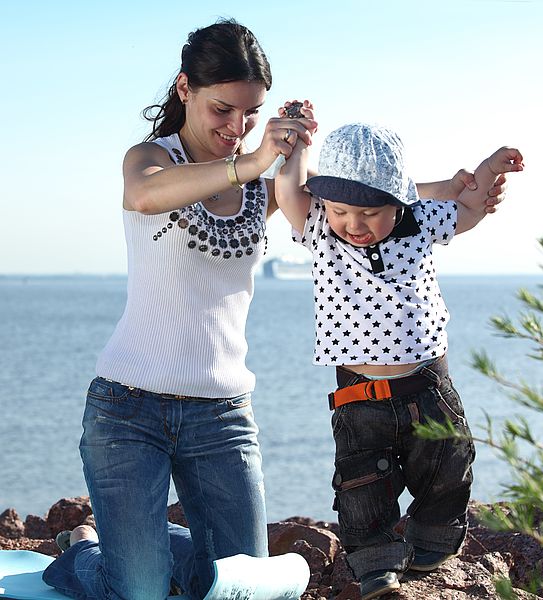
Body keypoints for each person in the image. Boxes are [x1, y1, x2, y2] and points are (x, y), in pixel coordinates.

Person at [41, 19, 506, 599]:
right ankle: (88, 547)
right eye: (221, 110)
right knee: (140, 590)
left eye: (250, 115)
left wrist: (457, 187)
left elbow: (354, 199)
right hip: (128, 407)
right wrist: (256, 159)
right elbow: (143, 195)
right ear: (184, 88)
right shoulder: (151, 159)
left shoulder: (261, 188)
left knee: (240, 585)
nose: (236, 129)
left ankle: (140, 541)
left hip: (221, 415)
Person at [275, 114, 524, 600]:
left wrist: (488, 169)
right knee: (361, 487)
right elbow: (288, 190)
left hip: (428, 385)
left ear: (398, 200)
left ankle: (431, 548)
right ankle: (377, 574)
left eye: (370, 213)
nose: (354, 225)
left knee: (446, 467)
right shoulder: (321, 230)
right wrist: (299, 143)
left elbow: (470, 207)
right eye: (343, 211)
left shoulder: (421, 220)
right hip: (358, 396)